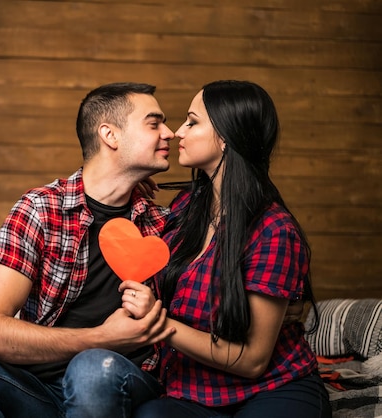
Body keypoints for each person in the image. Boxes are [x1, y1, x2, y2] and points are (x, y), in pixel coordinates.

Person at [0, 82, 178, 418]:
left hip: (121, 380)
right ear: (110, 136)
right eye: (154, 123)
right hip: (39, 388)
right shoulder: (41, 210)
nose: (170, 133)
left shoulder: (163, 224)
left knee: (91, 369)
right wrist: (101, 337)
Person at [129, 80, 331, 417]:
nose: (178, 132)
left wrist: (160, 324)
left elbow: (252, 360)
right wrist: (131, 179)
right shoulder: (183, 210)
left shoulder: (274, 231)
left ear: (225, 137)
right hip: (192, 391)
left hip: (271, 388)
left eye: (192, 122)